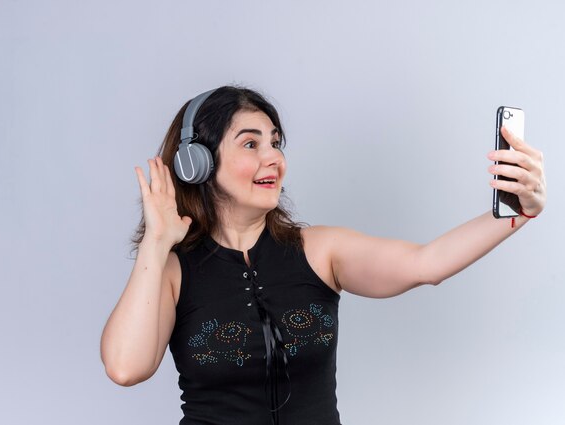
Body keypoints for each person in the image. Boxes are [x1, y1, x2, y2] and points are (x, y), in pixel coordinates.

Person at [100, 86, 546, 425]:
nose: (273, 157)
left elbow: (426, 264)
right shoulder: (172, 270)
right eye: (251, 144)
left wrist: (516, 214)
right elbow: (125, 367)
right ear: (197, 162)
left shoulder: (319, 250)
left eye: (276, 143)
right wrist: (157, 244)